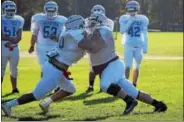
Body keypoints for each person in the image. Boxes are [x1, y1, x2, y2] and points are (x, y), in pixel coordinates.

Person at [39, 13, 167, 115]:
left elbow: (94, 48)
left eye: (92, 22)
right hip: (109, 66)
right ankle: (159, 105)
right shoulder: (93, 32)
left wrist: (84, 39)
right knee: (133, 91)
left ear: (99, 22)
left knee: (105, 85)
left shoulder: (104, 30)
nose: (89, 24)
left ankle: (129, 102)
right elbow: (82, 44)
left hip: (113, 64)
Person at [28, 1, 67, 79]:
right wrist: (32, 46)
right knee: (47, 68)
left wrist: (32, 46)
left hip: (52, 47)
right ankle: (45, 86)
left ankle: (55, 87)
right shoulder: (62, 20)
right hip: (44, 47)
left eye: (52, 10)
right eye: (49, 10)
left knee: (53, 68)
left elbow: (64, 37)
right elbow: (34, 34)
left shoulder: (39, 18)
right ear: (45, 9)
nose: (51, 12)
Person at [119, 0, 149, 87]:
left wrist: (145, 46)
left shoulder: (143, 18)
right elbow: (122, 31)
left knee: (137, 66)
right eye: (130, 9)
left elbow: (145, 33)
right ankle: (125, 84)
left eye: (133, 9)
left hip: (139, 45)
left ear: (137, 9)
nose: (131, 12)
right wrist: (130, 21)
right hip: (128, 45)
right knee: (127, 66)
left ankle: (134, 84)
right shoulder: (124, 18)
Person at [85, 4, 114, 93]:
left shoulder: (109, 22)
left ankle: (102, 85)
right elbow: (86, 32)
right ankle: (91, 85)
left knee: (103, 67)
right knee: (92, 67)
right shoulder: (87, 20)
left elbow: (108, 33)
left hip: (104, 46)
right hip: (93, 44)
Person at [1, 0, 24, 93]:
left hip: (14, 47)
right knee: (1, 69)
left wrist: (14, 40)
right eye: (8, 9)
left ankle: (14, 89)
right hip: (2, 46)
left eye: (12, 9)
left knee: (14, 69)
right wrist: (11, 40)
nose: (10, 11)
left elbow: (19, 36)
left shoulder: (20, 19)